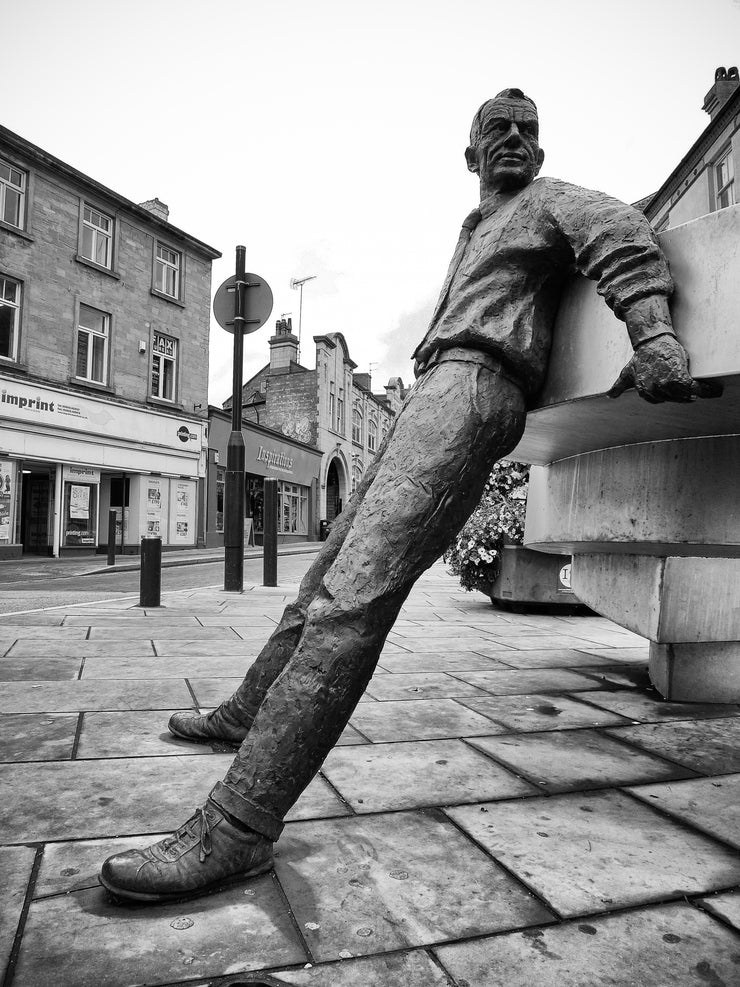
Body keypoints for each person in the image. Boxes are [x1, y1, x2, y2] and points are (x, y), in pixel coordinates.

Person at [100, 89, 721, 903]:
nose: (514, 140)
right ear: (469, 157)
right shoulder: (478, 226)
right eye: (495, 130)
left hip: (474, 391)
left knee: (354, 600)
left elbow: (622, 233)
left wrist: (655, 334)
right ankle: (246, 714)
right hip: (432, 392)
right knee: (323, 580)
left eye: (528, 131)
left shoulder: (548, 202)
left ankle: (238, 825)